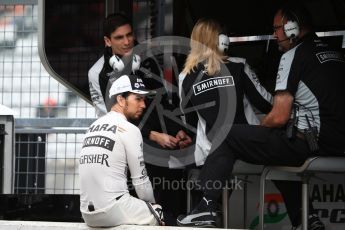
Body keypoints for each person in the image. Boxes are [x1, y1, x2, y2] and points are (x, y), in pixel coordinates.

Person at [177, 3, 345, 230]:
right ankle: (305, 217)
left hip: (214, 152)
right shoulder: (336, 55)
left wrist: (267, 127)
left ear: (292, 28)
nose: (274, 35)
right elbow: (266, 103)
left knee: (254, 138)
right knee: (269, 142)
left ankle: (206, 206)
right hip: (333, 142)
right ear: (222, 40)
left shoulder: (184, 76)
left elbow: (189, 122)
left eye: (276, 29)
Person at [88, 13, 192, 224]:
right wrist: (153, 136)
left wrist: (176, 130)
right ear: (108, 41)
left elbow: (162, 102)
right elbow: (114, 117)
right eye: (119, 38)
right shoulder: (97, 73)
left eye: (129, 35)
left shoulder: (147, 60)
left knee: (177, 168)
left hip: (156, 137)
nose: (127, 42)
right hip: (122, 139)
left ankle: (173, 220)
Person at [79, 74, 164, 227]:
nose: (143, 105)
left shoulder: (91, 127)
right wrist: (152, 206)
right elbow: (141, 183)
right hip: (112, 210)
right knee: (157, 212)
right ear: (120, 99)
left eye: (144, 99)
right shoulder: (129, 129)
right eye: (138, 99)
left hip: (86, 213)